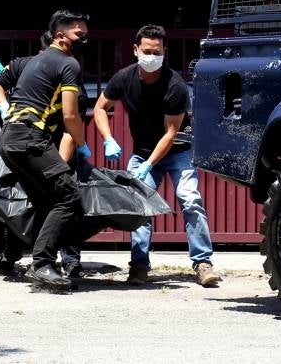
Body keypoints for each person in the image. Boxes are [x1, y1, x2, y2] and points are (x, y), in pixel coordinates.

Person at [93, 24, 222, 287]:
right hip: (142, 153)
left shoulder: (174, 85)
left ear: (165, 51)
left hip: (178, 153)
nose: (151, 56)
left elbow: (171, 132)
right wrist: (108, 138)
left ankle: (203, 263)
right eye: (147, 51)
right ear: (136, 50)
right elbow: (99, 107)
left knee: (190, 200)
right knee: (138, 206)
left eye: (157, 51)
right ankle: (139, 265)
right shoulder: (124, 78)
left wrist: (149, 165)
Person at [0, 10, 91, 291]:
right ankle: (42, 264)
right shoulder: (68, 64)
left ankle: (32, 259)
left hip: (10, 140)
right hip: (30, 138)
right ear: (61, 36)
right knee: (69, 195)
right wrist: (82, 145)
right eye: (79, 35)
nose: (84, 39)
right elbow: (71, 115)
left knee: (46, 199)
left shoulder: (32, 61)